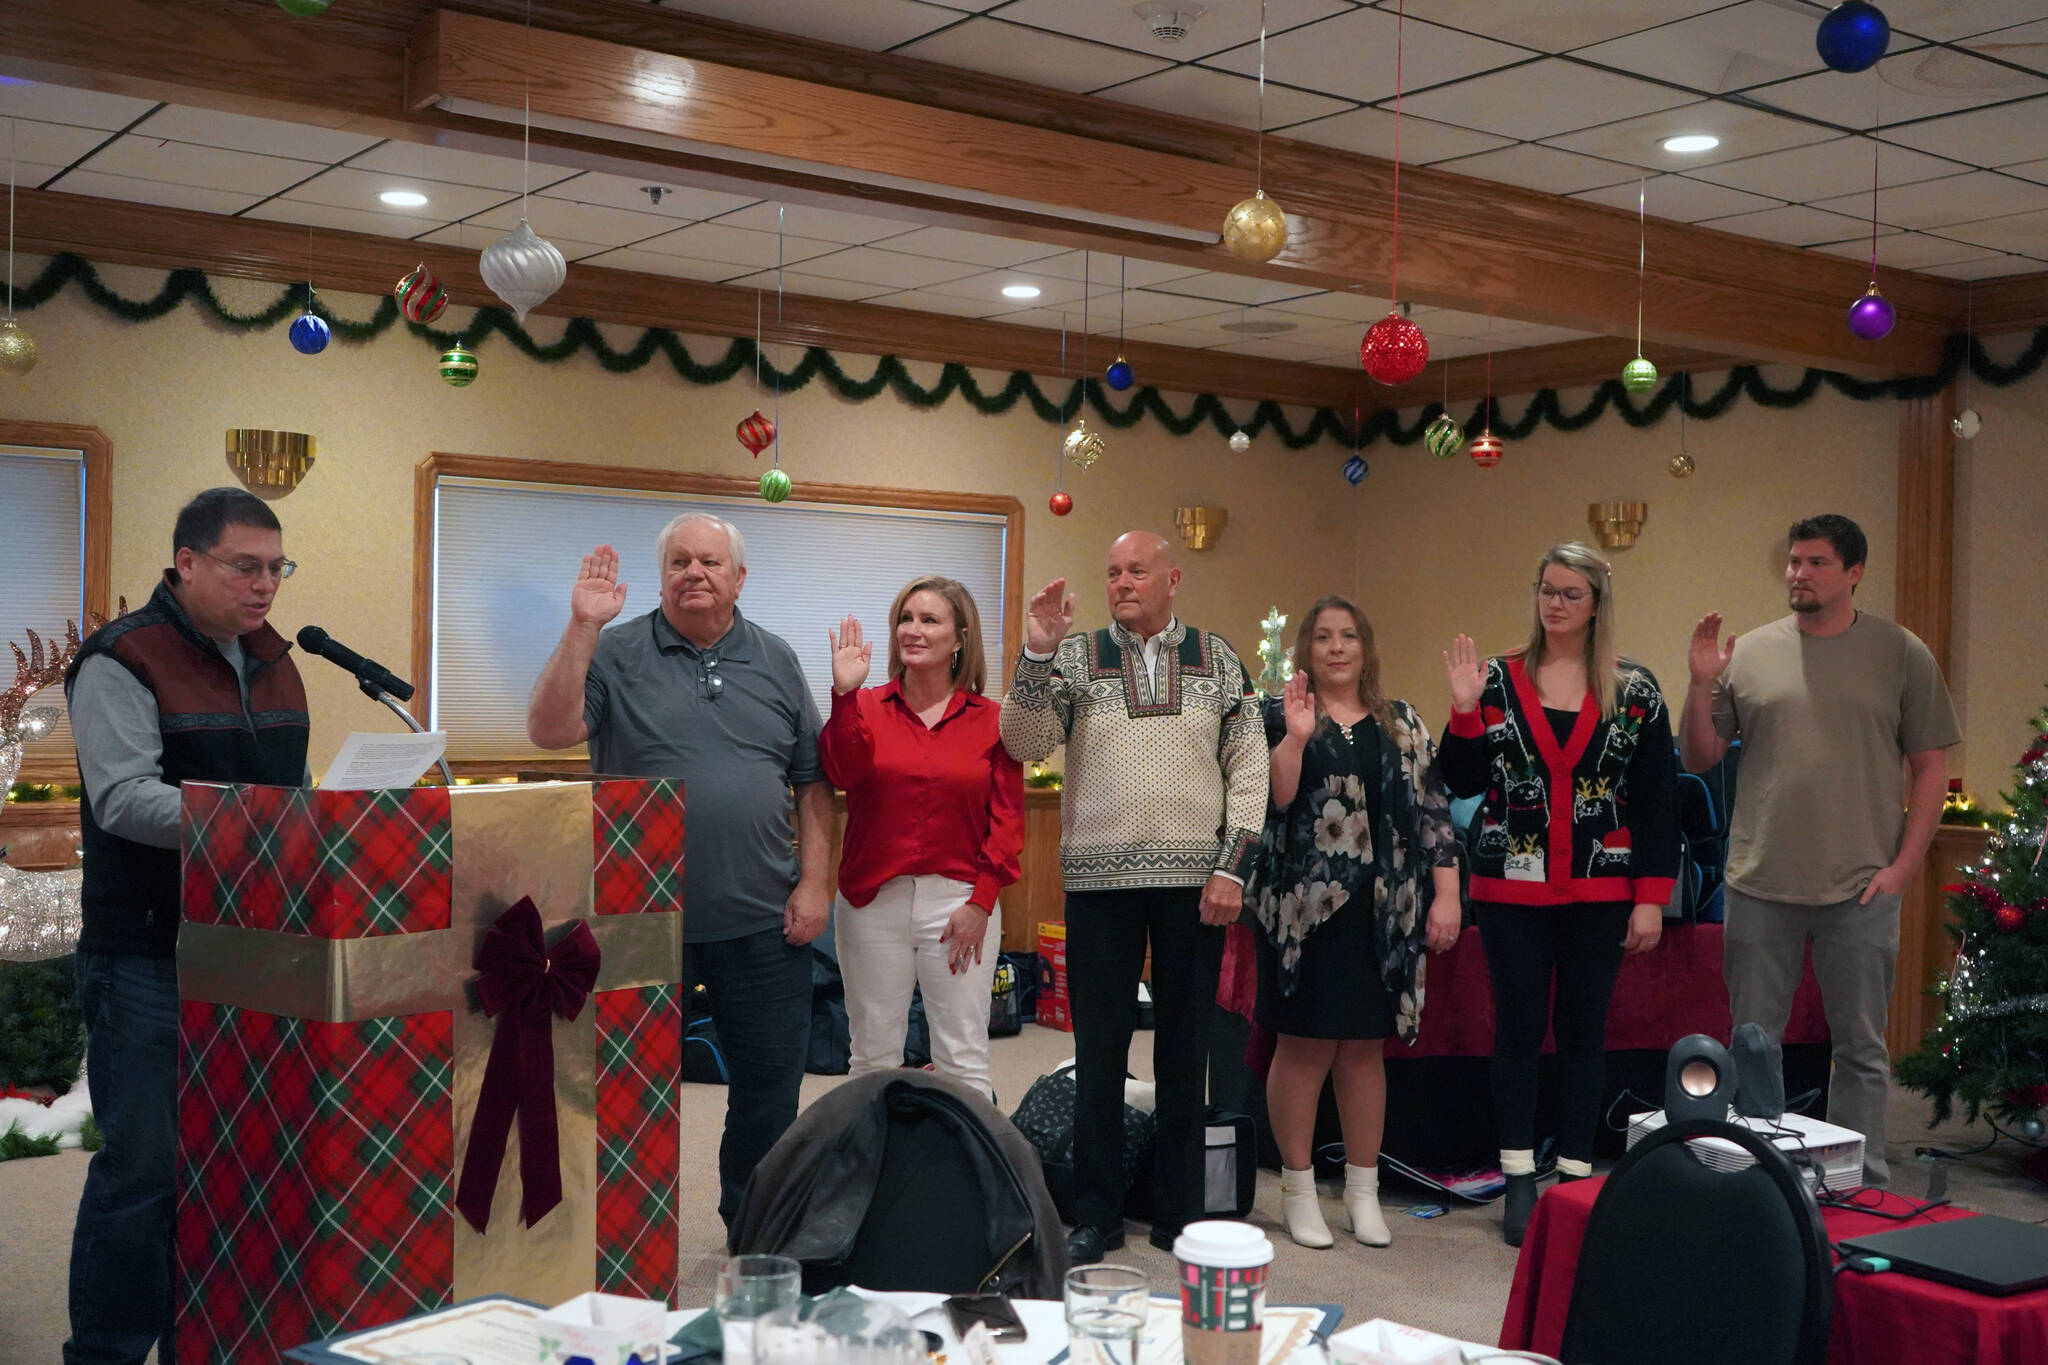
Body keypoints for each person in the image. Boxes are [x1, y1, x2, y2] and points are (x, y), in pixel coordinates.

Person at [526, 513, 830, 1229]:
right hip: (638, 920)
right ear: (661, 576)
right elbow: (547, 730)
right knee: (624, 1087)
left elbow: (811, 781)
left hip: (763, 918)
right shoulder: (613, 649)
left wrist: (816, 882)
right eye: (680, 562)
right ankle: (627, 1233)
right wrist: (580, 627)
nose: (694, 572)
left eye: (711, 562)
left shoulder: (778, 658)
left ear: (739, 577)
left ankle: (752, 1224)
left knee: (769, 1087)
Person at [62, 487, 310, 1365]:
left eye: (277, 567)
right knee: (147, 1170)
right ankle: (108, 1349)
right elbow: (124, 800)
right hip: (148, 953)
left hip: (257, 949)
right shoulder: (120, 659)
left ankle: (216, 1340)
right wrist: (260, 818)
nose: (265, 585)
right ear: (188, 562)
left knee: (242, 1161)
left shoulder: (280, 659)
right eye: (246, 565)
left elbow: (295, 794)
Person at [1000, 530, 1266, 1263]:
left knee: (1185, 1054)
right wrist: (1037, 652)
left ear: (1172, 578)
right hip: (1098, 885)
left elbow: (1249, 768)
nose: (1122, 581)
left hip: (1197, 888)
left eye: (1136, 570)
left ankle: (1179, 1212)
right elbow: (1023, 741)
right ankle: (1097, 1215)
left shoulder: (1219, 658)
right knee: (1098, 1053)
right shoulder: (1079, 657)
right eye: (1112, 571)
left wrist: (1232, 868)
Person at [1680, 513, 1959, 1188]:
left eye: (1816, 563)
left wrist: (1902, 868)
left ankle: (1859, 1180)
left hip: (1861, 886)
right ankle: (1754, 1171)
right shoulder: (1750, 653)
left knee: (1861, 1047)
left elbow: (1931, 768)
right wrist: (1697, 682)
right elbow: (1698, 754)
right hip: (1759, 880)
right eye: (1793, 562)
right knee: (1752, 1041)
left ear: (1855, 571)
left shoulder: (1901, 653)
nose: (1798, 574)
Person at [1439, 542, 1678, 1247]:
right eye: (1547, 589)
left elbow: (1657, 800)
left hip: (1603, 890)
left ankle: (1573, 1174)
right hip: (1510, 888)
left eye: (1571, 593)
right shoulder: (1498, 679)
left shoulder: (1637, 691)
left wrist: (1650, 897)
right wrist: (1459, 710)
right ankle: (1517, 1176)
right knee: (1516, 1029)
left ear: (1597, 602)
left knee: (1582, 1032)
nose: (1555, 603)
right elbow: (1458, 779)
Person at [1251, 596, 1462, 1249]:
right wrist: (1294, 735)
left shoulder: (1401, 722)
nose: (1336, 647)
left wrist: (1446, 895)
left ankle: (1364, 1192)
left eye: (1347, 635)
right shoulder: (1279, 714)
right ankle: (1298, 1189)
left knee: (1366, 1050)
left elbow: (1433, 812)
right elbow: (1277, 799)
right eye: (1322, 637)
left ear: (1365, 646)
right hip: (1305, 911)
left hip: (1387, 911)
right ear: (1306, 650)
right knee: (1307, 1046)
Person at [820, 576, 1023, 1100]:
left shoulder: (993, 721)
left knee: (962, 1056)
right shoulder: (863, 706)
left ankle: (966, 1180)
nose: (912, 630)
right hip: (871, 902)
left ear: (959, 639)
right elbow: (841, 771)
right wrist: (844, 695)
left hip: (960, 902)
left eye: (929, 620)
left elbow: (1007, 822)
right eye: (905, 619)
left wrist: (981, 903)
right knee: (871, 1055)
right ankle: (875, 1176)